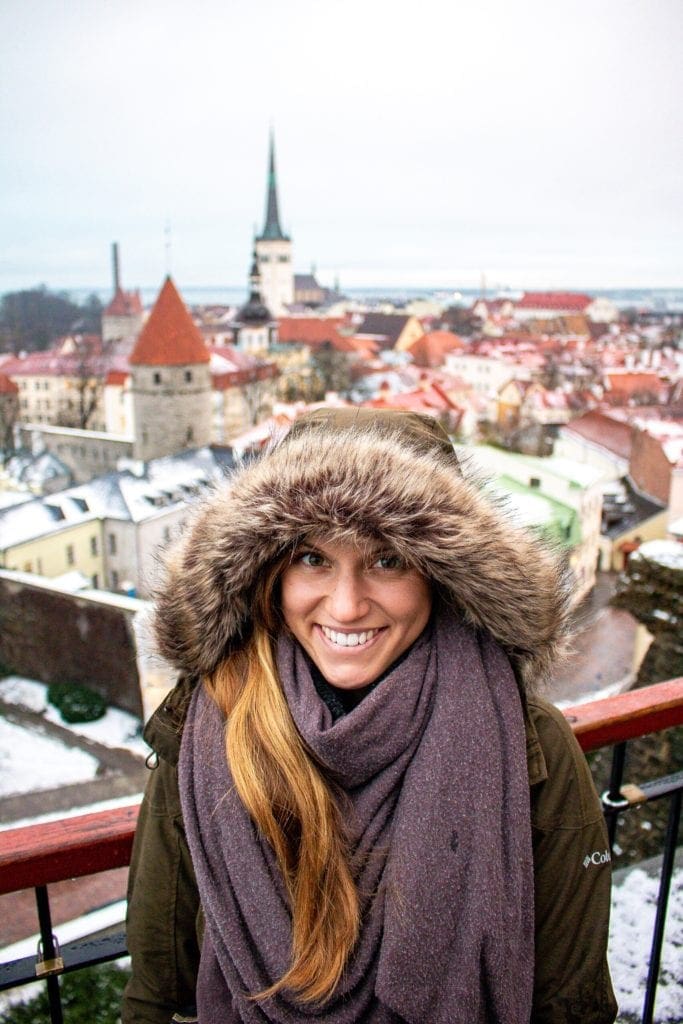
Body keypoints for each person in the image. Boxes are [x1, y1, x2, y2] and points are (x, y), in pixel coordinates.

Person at [123, 408, 617, 1024]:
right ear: (267, 573)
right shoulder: (208, 729)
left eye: (387, 560)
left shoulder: (525, 743)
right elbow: (159, 988)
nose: (347, 605)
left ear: (443, 576)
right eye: (312, 559)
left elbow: (569, 1003)